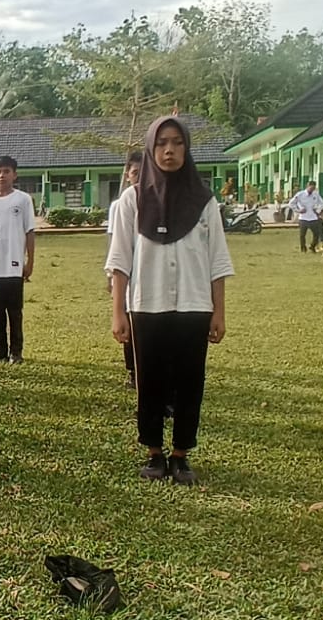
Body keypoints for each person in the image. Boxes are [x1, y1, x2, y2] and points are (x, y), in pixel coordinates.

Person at [106, 116, 233, 485]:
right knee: (151, 383)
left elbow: (217, 261)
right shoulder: (133, 200)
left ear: (186, 148)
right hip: (147, 306)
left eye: (177, 143)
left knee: (190, 382)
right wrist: (118, 313)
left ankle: (181, 455)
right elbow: (119, 262)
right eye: (162, 143)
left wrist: (219, 312)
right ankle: (154, 453)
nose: (169, 150)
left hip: (195, 308)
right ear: (151, 148)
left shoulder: (205, 201)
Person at [0, 155, 36, 365]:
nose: (2, 175)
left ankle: (16, 351)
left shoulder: (23, 199)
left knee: (15, 312)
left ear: (14, 175)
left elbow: (29, 232)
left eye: (6, 171)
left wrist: (30, 261)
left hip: (14, 266)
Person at [106, 150, 141, 390]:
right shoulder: (121, 204)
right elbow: (115, 243)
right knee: (128, 322)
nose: (139, 177)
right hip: (126, 273)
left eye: (144, 172)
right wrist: (111, 275)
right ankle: (133, 371)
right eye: (135, 173)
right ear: (127, 175)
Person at [290, 180, 323, 252]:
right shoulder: (300, 194)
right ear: (307, 186)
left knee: (316, 234)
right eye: (310, 188)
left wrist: (318, 210)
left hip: (313, 218)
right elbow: (291, 203)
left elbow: (322, 203)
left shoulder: (316, 195)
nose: (311, 190)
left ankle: (312, 246)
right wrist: (298, 210)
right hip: (303, 218)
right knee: (302, 235)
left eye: (313, 188)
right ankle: (303, 248)